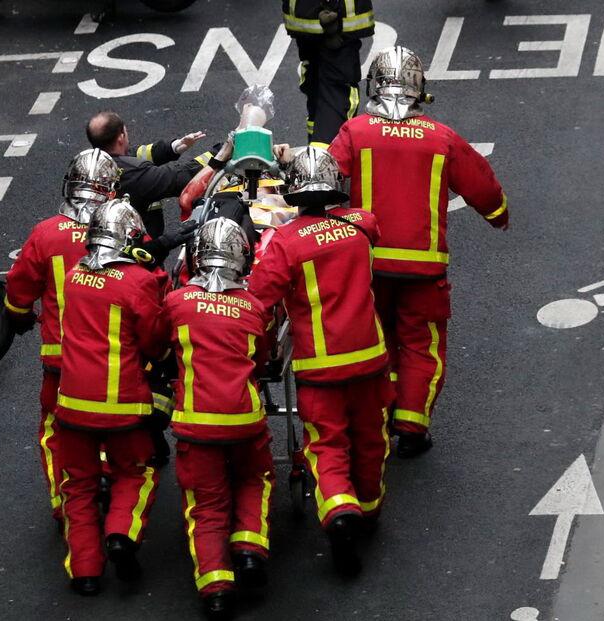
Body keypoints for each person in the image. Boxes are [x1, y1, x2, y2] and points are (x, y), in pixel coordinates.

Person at [328, 45, 509, 458]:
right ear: (419, 89)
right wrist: (498, 215)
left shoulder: (356, 132)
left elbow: (324, 177)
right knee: (421, 345)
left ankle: (379, 414)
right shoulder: (440, 137)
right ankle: (412, 421)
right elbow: (482, 185)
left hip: (368, 265)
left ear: (373, 86)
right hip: (424, 269)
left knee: (377, 341)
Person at [249, 146, 391, 577]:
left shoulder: (285, 244)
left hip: (319, 367)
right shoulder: (363, 224)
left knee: (327, 446)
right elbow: (360, 226)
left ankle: (339, 510)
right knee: (370, 437)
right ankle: (366, 507)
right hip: (370, 358)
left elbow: (259, 299)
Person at [53, 199, 170, 596]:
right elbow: (154, 342)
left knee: (79, 487)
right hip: (123, 404)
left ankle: (85, 570)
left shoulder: (73, 276)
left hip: (70, 405)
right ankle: (121, 533)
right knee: (136, 473)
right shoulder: (137, 281)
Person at [165, 218, 274, 620]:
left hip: (197, 424)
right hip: (244, 420)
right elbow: (262, 361)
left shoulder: (177, 303)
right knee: (254, 479)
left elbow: (164, 344)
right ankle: (249, 548)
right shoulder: (253, 308)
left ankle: (215, 588)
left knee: (206, 506)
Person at [4, 148, 119, 529]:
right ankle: (107, 477)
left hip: (60, 359)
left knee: (57, 432)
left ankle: (64, 501)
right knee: (108, 424)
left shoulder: (45, 233)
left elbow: (19, 292)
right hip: (111, 356)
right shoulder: (121, 231)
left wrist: (20, 317)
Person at [86, 110, 214, 237]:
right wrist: (219, 154)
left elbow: (138, 153)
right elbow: (181, 176)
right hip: (139, 248)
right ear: (121, 138)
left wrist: (175, 146)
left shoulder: (86, 166)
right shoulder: (137, 175)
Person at [281, 0, 375, 147]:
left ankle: (311, 160)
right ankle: (326, 161)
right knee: (337, 94)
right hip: (333, 21)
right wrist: (331, 9)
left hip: (304, 16)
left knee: (316, 91)